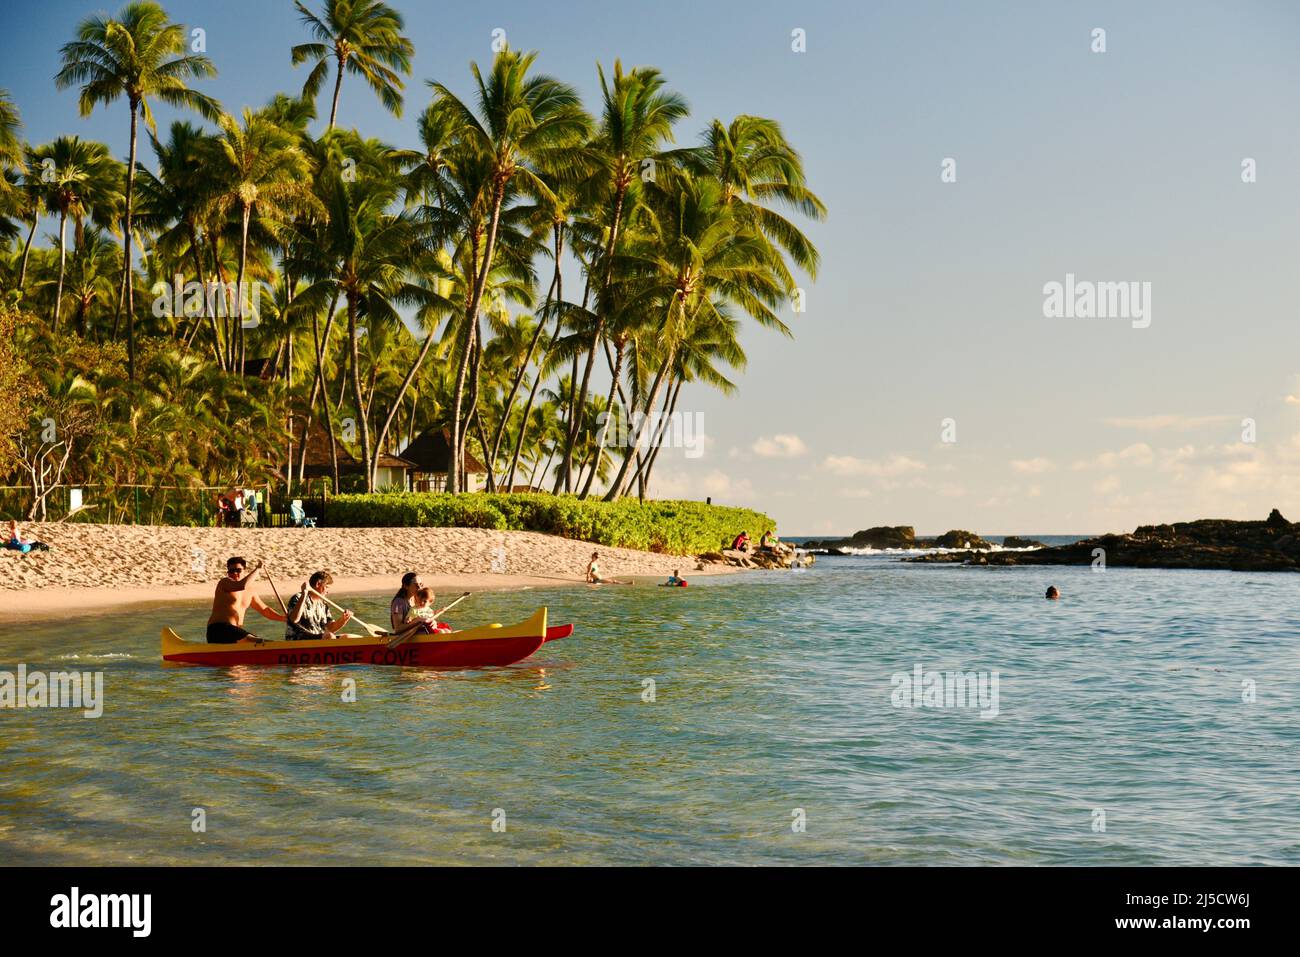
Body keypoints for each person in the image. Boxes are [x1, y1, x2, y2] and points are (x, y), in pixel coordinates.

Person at [206, 557, 287, 643]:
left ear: (245, 570)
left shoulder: (250, 591)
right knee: (257, 641)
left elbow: (265, 610)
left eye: (238, 570)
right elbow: (242, 585)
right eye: (231, 571)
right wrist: (258, 568)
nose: (235, 573)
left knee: (256, 642)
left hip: (234, 633)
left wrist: (284, 619)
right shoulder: (224, 583)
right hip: (218, 629)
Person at [285, 571, 353, 640]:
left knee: (349, 637)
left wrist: (343, 620)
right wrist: (304, 594)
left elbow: (330, 628)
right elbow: (294, 619)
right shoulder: (298, 597)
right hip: (299, 639)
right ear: (318, 584)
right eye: (326, 587)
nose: (327, 591)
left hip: (319, 638)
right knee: (329, 636)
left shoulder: (323, 604)